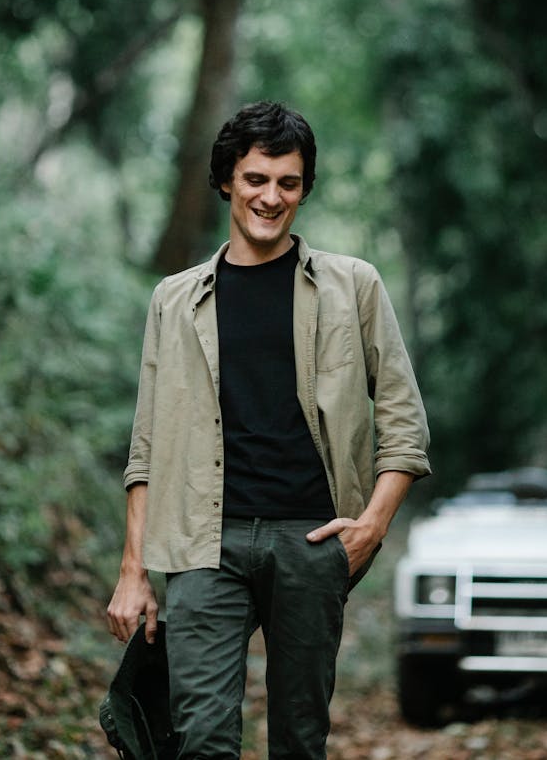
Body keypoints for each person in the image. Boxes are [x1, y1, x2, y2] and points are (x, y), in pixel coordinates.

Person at [107, 100, 430, 760]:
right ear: (227, 179)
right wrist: (133, 570)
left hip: (312, 539)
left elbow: (403, 419)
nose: (271, 196)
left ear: (305, 189)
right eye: (256, 178)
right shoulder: (175, 298)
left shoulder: (354, 287)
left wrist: (371, 523)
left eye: (288, 182)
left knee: (300, 740)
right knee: (201, 739)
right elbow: (147, 447)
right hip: (203, 543)